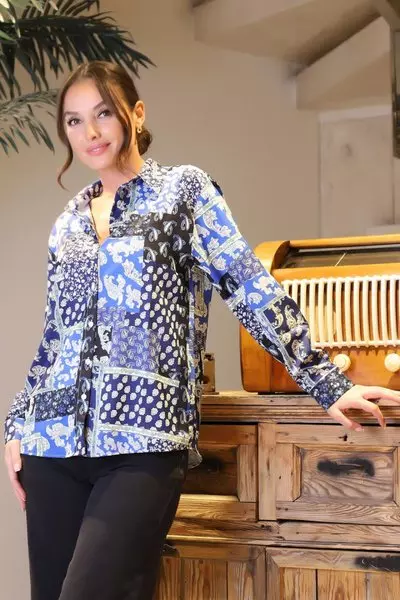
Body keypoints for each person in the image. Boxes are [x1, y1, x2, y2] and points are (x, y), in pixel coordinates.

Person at [4, 60, 400, 600]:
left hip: (144, 438)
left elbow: (248, 284)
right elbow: (56, 336)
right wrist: (18, 424)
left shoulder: (183, 192)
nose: (90, 132)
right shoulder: (68, 222)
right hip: (51, 444)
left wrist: (326, 381)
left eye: (103, 113)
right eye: (74, 121)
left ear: (135, 113)